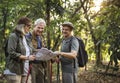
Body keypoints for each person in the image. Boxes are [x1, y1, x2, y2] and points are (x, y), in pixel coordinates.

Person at [4, 17, 36, 83]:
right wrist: (27, 58)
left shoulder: (26, 38)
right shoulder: (13, 36)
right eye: (28, 26)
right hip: (14, 72)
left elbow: (32, 50)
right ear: (22, 26)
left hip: (25, 71)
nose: (30, 28)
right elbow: (11, 52)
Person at [26, 18, 47, 83]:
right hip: (32, 65)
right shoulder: (28, 36)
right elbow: (27, 50)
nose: (40, 30)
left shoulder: (41, 37)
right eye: (39, 27)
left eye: (42, 28)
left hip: (41, 64)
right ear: (34, 26)